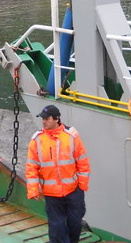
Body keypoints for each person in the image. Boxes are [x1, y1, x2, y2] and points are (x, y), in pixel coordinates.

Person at [26, 104, 90, 243]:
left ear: (56, 119)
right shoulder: (37, 140)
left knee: (75, 225)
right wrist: (33, 190)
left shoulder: (71, 136)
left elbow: (82, 161)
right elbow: (32, 167)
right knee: (57, 228)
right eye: (42, 118)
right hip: (52, 194)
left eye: (46, 118)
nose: (43, 122)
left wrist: (82, 186)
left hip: (73, 191)